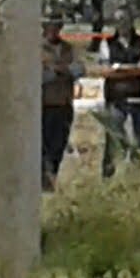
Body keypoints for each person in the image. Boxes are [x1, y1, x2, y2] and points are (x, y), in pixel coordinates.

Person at [98, 7, 140, 177]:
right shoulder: (106, 43)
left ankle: (135, 179)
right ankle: (108, 179)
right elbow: (105, 71)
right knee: (113, 141)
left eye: (125, 19)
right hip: (114, 100)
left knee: (137, 142)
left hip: (137, 100)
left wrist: (119, 69)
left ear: (131, 21)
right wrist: (133, 70)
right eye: (118, 20)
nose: (122, 23)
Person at [41, 14, 83, 190]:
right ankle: (43, 182)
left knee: (58, 146)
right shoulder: (36, 48)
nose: (54, 29)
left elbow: (79, 69)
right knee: (42, 148)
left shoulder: (68, 48)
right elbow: (39, 76)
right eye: (50, 25)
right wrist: (59, 73)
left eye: (57, 26)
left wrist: (60, 70)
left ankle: (52, 180)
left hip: (64, 105)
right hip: (44, 105)